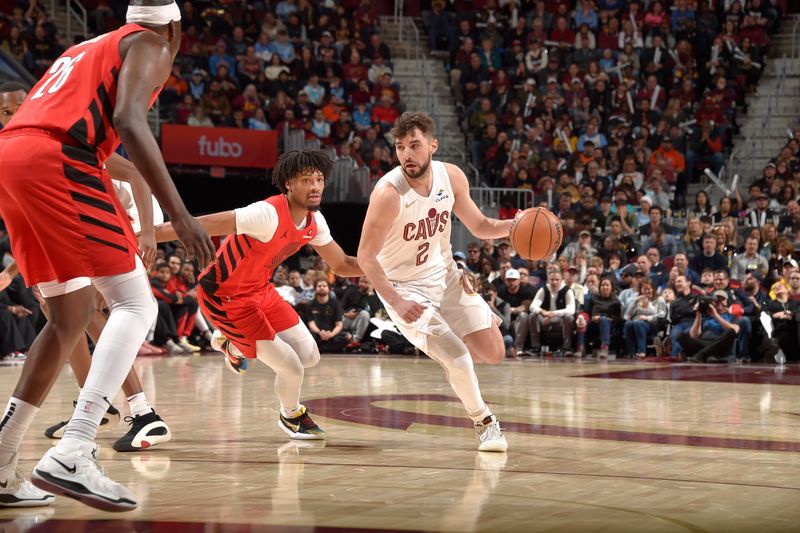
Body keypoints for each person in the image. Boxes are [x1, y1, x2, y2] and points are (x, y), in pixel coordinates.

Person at [0, 1, 214, 511]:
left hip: (12, 158)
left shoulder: (85, 47)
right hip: (61, 159)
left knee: (70, 317)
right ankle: (76, 446)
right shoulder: (153, 42)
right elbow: (129, 120)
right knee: (136, 304)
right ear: (177, 27)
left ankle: (4, 463)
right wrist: (179, 215)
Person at [155, 149, 362, 440]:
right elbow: (195, 225)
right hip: (225, 298)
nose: (315, 186)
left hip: (261, 291)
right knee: (291, 368)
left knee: (310, 356)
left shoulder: (315, 222)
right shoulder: (265, 214)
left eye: (319, 179)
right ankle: (291, 415)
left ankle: (232, 344)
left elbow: (341, 264)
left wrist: (386, 268)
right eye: (306, 179)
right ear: (289, 183)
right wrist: (143, 236)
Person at [357, 112, 510, 452]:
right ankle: (485, 421)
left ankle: (450, 348)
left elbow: (481, 226)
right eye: (400, 148)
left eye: (414, 146)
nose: (407, 155)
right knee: (457, 356)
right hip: (405, 289)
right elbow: (366, 257)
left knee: (493, 351)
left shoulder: (451, 176)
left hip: (446, 276)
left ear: (432, 145)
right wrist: (396, 302)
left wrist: (515, 225)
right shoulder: (388, 193)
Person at [679, 291, 740, 363]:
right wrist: (698, 314)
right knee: (681, 336)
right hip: (704, 342)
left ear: (726, 302)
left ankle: (701, 354)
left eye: (722, 300)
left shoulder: (731, 316)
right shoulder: (706, 315)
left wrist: (715, 315)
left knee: (731, 331)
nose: (719, 302)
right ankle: (710, 354)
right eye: (717, 300)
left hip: (722, 345)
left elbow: (735, 330)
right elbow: (694, 335)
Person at [528, 269, 577, 356]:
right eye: (552, 280)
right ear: (548, 280)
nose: (554, 282)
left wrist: (554, 313)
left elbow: (571, 309)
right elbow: (532, 306)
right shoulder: (544, 289)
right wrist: (542, 312)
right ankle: (535, 348)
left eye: (557, 280)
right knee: (532, 315)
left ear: (562, 280)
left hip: (560, 321)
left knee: (569, 317)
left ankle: (566, 348)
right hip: (545, 319)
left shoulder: (567, 291)